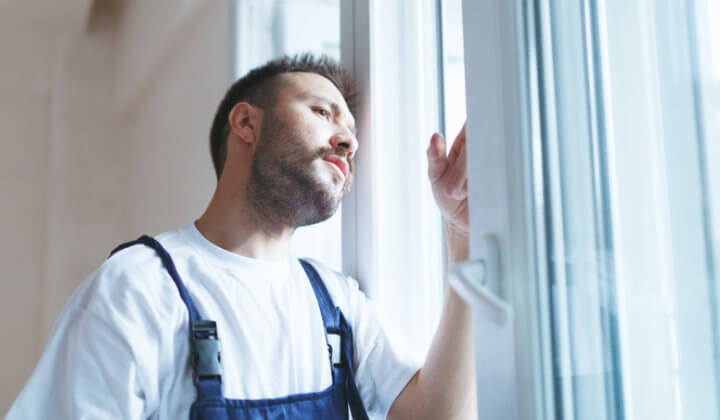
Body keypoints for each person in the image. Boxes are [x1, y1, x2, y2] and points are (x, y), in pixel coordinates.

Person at [6, 54, 475, 419]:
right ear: (247, 124)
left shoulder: (335, 302)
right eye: (322, 112)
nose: (348, 143)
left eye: (351, 133)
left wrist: (461, 239)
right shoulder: (138, 289)